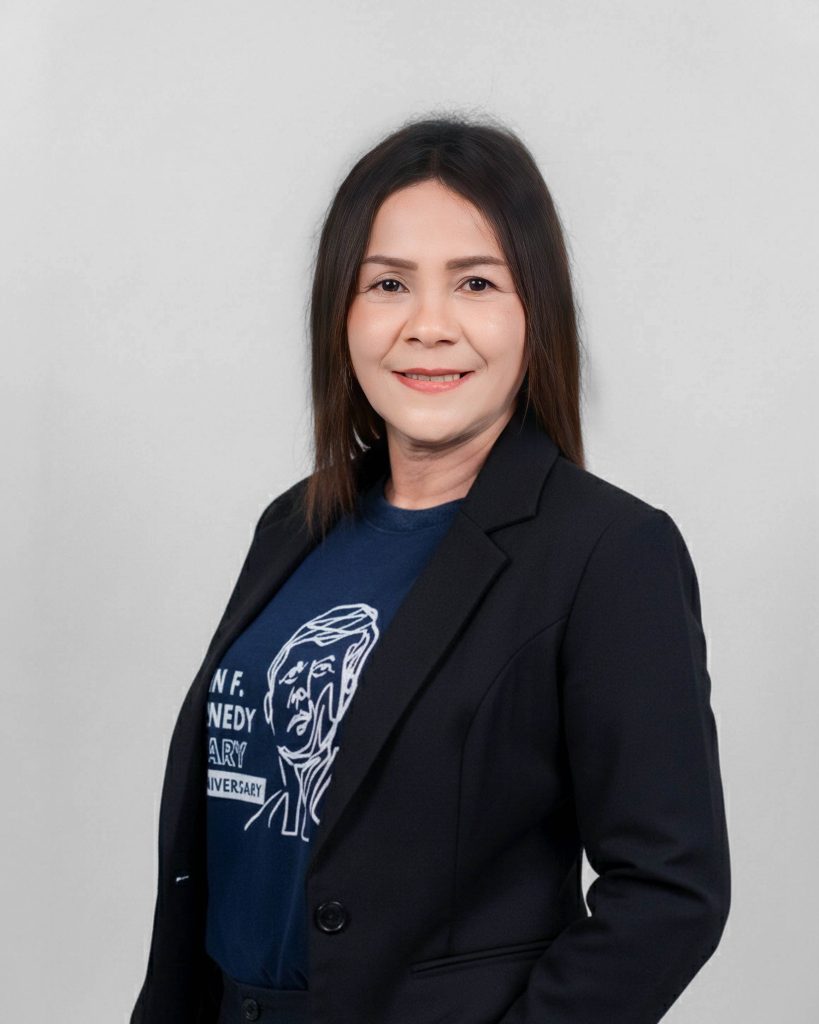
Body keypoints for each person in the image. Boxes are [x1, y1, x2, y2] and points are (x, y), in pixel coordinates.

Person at [130, 114, 731, 1024]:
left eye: (476, 283)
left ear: (535, 312)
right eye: (388, 284)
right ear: (341, 314)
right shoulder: (294, 524)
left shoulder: (608, 553)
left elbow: (669, 891)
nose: (428, 326)